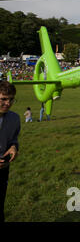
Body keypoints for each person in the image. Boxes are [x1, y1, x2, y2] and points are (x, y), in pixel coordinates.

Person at [0, 81, 20, 222]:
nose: (8, 103)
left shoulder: (14, 118)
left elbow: (13, 139)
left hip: (3, 170)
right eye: (3, 99)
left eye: (11, 99)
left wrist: (14, 147)